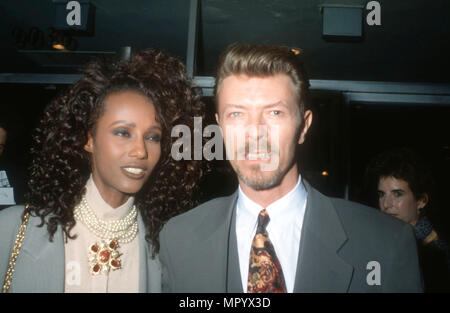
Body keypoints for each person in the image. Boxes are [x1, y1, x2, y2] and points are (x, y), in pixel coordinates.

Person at [159, 43, 422, 293]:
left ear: (304, 126)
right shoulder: (179, 239)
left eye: (274, 113)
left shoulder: (384, 242)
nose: (255, 133)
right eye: (236, 114)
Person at [0, 49, 204, 292]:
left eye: (152, 136)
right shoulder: (12, 228)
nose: (140, 151)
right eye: (122, 132)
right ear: (89, 140)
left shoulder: (165, 249)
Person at [366, 147, 450, 292]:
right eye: (381, 194)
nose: (386, 204)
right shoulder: (385, 239)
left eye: (397, 194)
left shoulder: (435, 253)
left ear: (421, 201)